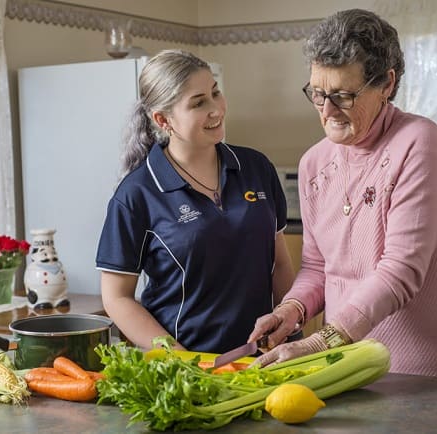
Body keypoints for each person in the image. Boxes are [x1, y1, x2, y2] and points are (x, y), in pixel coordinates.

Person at [248, 9, 437, 379]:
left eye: (342, 95)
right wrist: (291, 310)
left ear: (386, 83)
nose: (327, 111)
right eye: (318, 94)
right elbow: (319, 268)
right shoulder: (313, 164)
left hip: (420, 368)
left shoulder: (419, 144)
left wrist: (320, 342)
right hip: (342, 363)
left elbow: (400, 271)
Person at [96, 49, 296, 354]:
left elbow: (279, 264)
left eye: (215, 93)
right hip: (188, 371)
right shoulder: (137, 194)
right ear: (163, 119)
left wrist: (290, 333)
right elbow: (116, 298)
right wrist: (177, 356)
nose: (216, 109)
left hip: (263, 360)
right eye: (199, 103)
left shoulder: (257, 168)